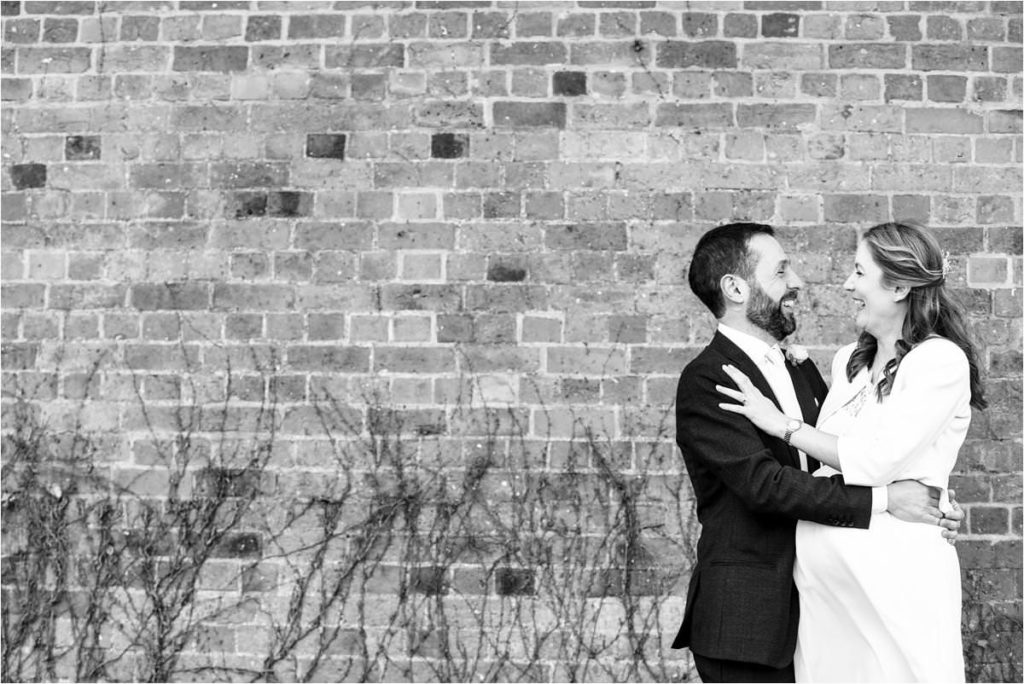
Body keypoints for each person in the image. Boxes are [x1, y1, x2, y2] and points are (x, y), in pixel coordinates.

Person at [671, 222, 962, 683]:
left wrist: (933, 498)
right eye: (781, 270)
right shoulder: (710, 379)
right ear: (736, 287)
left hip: (822, 606)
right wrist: (890, 501)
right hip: (749, 620)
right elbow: (767, 486)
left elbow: (845, 457)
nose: (798, 282)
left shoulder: (804, 368)